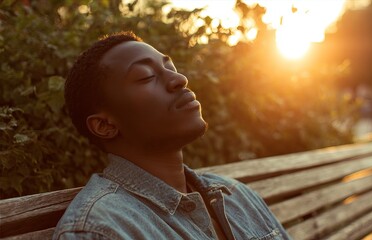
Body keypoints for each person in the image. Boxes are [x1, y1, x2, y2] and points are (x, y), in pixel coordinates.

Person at [53, 31, 292, 240]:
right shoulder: (102, 230)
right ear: (105, 125)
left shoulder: (235, 195)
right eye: (146, 76)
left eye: (171, 68)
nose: (179, 79)